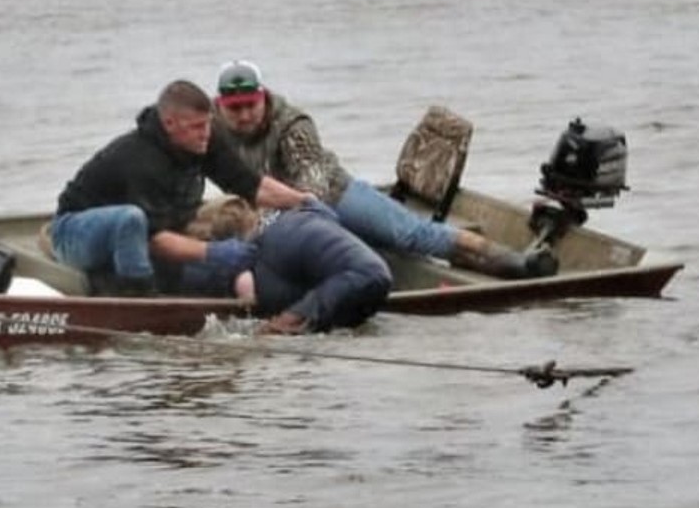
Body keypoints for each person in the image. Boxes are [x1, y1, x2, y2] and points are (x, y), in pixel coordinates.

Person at [210, 59, 556, 279]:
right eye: (234, 108)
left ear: (263, 97)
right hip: (275, 215)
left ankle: (511, 260)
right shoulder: (208, 129)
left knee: (410, 235)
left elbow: (311, 188)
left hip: (333, 195)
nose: (243, 116)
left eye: (250, 106)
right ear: (220, 105)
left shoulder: (292, 125)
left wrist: (266, 223)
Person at [50, 78, 310, 299]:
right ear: (170, 124)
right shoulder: (139, 160)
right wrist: (213, 252)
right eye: (197, 127)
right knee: (131, 221)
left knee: (233, 216)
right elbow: (155, 239)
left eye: (209, 123)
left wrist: (303, 201)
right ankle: (136, 296)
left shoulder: (204, 139)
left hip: (156, 228)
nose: (206, 133)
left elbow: (251, 186)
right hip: (75, 233)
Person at [188, 196, 392, 334]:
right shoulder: (296, 220)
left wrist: (293, 318)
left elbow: (371, 274)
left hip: (362, 277)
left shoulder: (269, 247)